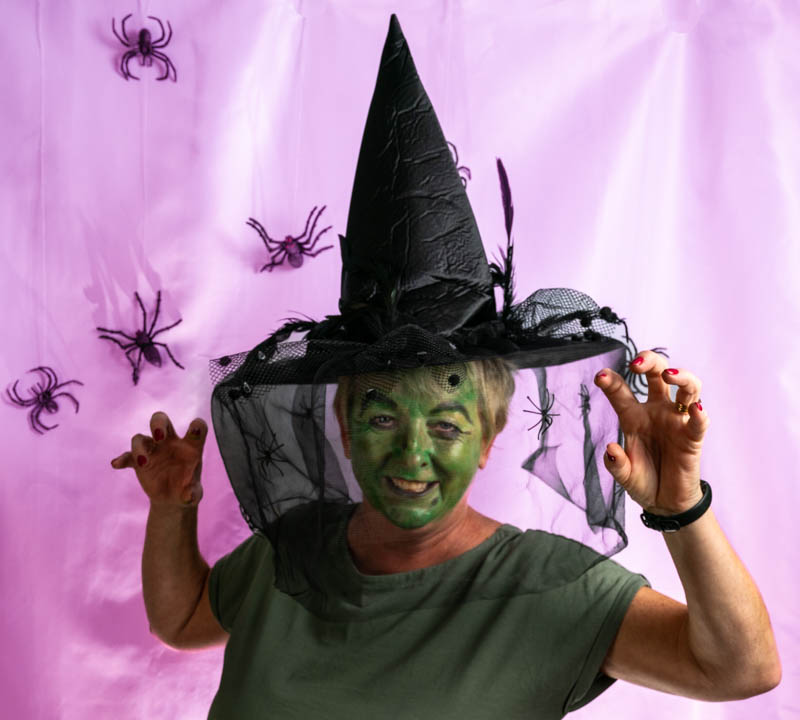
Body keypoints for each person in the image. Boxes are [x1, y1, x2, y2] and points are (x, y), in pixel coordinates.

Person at [110, 14, 781, 718]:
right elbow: (183, 619)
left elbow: (741, 670)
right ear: (343, 422)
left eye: (448, 424)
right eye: (382, 417)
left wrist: (680, 508)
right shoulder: (296, 549)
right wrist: (171, 509)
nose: (413, 451)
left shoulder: (548, 585)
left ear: (488, 438)